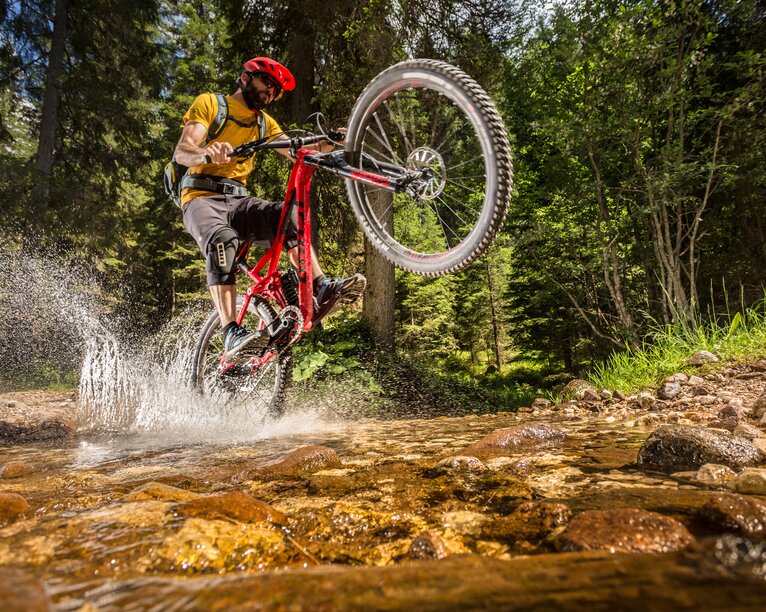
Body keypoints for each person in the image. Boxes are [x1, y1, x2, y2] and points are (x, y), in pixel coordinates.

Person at [174, 56, 365, 361]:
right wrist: (206, 152)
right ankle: (230, 332)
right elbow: (183, 151)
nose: (270, 92)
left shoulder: (264, 123)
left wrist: (329, 142)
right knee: (222, 241)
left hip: (238, 199)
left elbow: (297, 152)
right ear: (246, 77)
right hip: (199, 197)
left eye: (275, 90)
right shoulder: (211, 104)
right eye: (267, 82)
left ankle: (320, 287)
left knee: (286, 217)